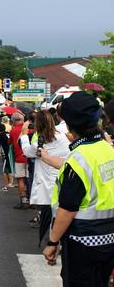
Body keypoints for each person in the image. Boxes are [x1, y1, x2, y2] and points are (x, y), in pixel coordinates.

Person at [42, 92, 114, 287]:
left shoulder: (79, 158)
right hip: (108, 238)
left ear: (69, 125)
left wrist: (52, 242)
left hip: (82, 241)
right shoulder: (107, 148)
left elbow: (68, 208)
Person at [20, 111, 70, 227]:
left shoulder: (39, 145)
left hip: (47, 184)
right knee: (61, 216)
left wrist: (24, 135)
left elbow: (26, 151)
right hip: (63, 179)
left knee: (51, 218)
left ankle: (53, 241)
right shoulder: (64, 138)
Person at [8, 113, 29, 209]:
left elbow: (9, 143)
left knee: (20, 179)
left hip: (19, 158)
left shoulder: (13, 131)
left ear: (13, 121)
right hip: (30, 157)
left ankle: (23, 201)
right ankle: (32, 201)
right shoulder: (30, 129)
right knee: (30, 179)